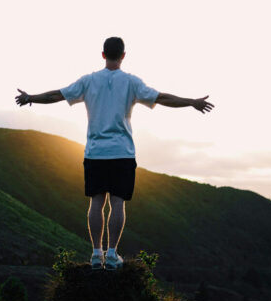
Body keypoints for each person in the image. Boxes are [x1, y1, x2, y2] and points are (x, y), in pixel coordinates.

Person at [15, 37, 214, 270]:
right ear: (123, 55)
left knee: (96, 203)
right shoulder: (131, 82)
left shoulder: (88, 81)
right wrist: (191, 102)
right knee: (118, 204)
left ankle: (96, 254)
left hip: (95, 152)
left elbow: (56, 95)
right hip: (122, 153)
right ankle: (111, 255)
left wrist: (31, 98)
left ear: (102, 54)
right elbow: (162, 98)